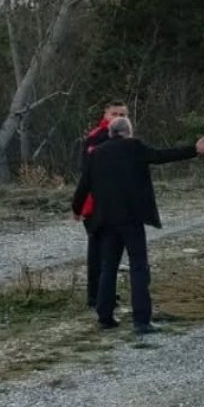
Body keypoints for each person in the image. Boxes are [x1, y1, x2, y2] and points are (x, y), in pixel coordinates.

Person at [72, 117, 204, 333]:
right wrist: (193, 150)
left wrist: (76, 209)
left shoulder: (97, 154)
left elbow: (84, 185)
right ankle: (141, 320)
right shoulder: (135, 147)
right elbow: (162, 156)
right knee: (138, 266)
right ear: (128, 132)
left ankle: (105, 317)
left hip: (105, 220)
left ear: (111, 133)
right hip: (131, 219)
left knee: (108, 268)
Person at [80, 102, 130, 309]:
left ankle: (102, 294)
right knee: (99, 252)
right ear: (105, 114)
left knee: (107, 252)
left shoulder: (122, 138)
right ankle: (96, 296)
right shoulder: (97, 137)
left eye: (122, 114)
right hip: (95, 204)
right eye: (114, 113)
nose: (118, 117)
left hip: (111, 202)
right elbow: (88, 174)